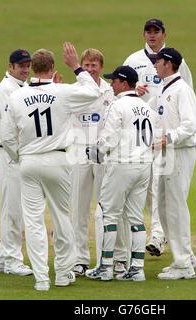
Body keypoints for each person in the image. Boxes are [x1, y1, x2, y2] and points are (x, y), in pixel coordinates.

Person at [0, 43, 102, 291]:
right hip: (58, 160)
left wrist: (18, 157)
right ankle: (64, 274)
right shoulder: (62, 91)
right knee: (62, 217)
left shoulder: (15, 96)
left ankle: (41, 279)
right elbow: (93, 92)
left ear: (33, 68)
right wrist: (77, 66)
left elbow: (6, 136)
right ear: (53, 67)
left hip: (29, 161)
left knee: (34, 222)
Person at [124, 18, 194, 257]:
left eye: (156, 32)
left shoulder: (178, 77)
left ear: (164, 34)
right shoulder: (134, 61)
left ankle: (163, 240)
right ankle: (182, 253)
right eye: (148, 31)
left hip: (173, 144)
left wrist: (170, 137)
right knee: (151, 190)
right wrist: (134, 93)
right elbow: (123, 91)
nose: (152, 35)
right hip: (147, 137)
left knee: (171, 200)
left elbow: (189, 112)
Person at [85, 66, 158, 281]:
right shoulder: (147, 109)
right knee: (136, 218)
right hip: (144, 165)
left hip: (122, 164)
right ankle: (136, 269)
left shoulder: (117, 106)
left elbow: (108, 138)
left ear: (124, 83)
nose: (112, 84)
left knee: (108, 214)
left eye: (115, 81)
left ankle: (105, 267)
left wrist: (94, 150)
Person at [68, 49, 128, 277]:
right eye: (87, 64)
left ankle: (116, 257)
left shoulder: (110, 91)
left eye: (95, 65)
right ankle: (79, 259)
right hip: (78, 154)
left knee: (109, 209)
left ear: (101, 67)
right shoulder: (73, 91)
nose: (91, 68)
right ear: (81, 66)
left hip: (104, 154)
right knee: (78, 208)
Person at [151, 48, 196, 280]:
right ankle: (185, 256)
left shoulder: (181, 89)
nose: (154, 65)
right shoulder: (163, 88)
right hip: (166, 153)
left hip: (179, 152)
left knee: (176, 206)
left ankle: (183, 265)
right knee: (162, 205)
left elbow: (191, 124)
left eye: (157, 61)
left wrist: (167, 138)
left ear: (168, 64)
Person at [0, 49, 33, 276]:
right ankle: (12, 261)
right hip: (8, 152)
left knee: (13, 207)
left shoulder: (20, 87)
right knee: (13, 208)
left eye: (28, 65)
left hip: (14, 152)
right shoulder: (7, 89)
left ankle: (1, 258)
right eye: (21, 65)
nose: (25, 69)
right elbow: (11, 128)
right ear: (11, 67)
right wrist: (18, 155)